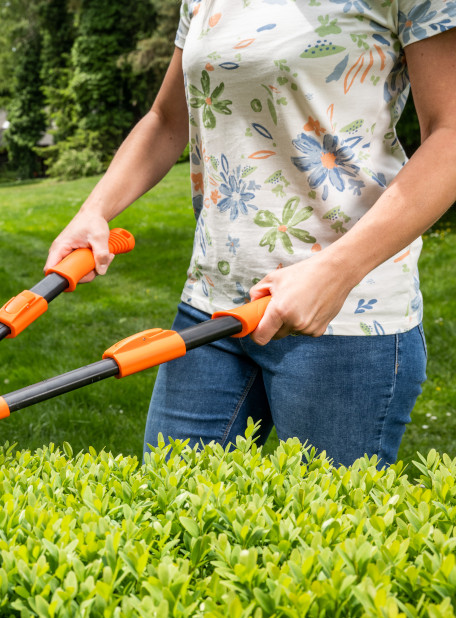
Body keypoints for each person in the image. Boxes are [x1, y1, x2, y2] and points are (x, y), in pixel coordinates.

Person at [45, 0, 456, 468]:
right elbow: (166, 119)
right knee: (170, 514)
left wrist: (337, 271)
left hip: (345, 312)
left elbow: (450, 133)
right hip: (212, 302)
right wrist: (94, 210)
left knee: (325, 532)